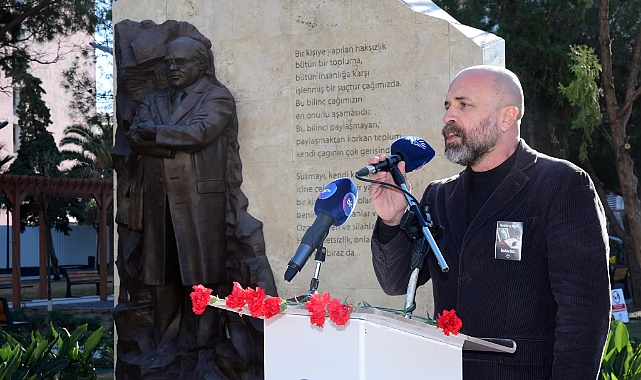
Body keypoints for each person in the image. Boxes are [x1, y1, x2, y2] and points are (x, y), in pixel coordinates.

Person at [368, 65, 611, 379]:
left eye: (463, 105)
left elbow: (583, 314)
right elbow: (396, 282)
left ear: (507, 117)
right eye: (447, 106)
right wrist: (392, 219)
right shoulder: (439, 197)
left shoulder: (562, 185)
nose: (448, 118)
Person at [128, 35, 238, 376]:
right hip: (158, 203)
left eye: (181, 63)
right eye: (169, 63)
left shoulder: (217, 96)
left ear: (200, 65)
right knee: (161, 276)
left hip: (198, 203)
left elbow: (200, 133)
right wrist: (171, 140)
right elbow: (135, 137)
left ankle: (203, 349)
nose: (172, 69)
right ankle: (166, 345)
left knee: (200, 275)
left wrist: (156, 135)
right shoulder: (153, 98)